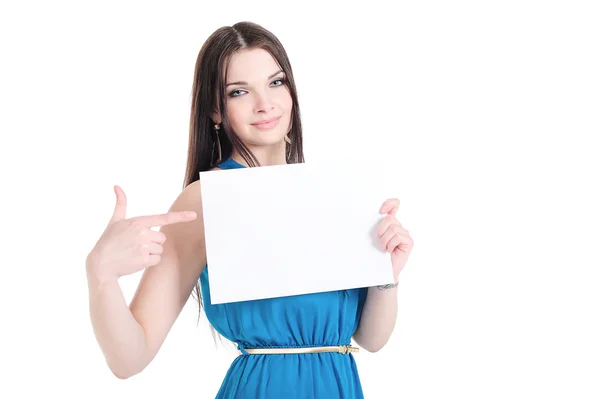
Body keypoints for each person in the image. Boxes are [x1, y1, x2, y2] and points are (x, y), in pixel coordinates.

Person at [86, 21, 414, 398]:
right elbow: (130, 358)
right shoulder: (205, 202)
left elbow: (369, 339)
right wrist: (101, 275)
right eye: (239, 91)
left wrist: (385, 277)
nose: (265, 104)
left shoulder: (331, 194)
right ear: (215, 110)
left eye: (276, 83)